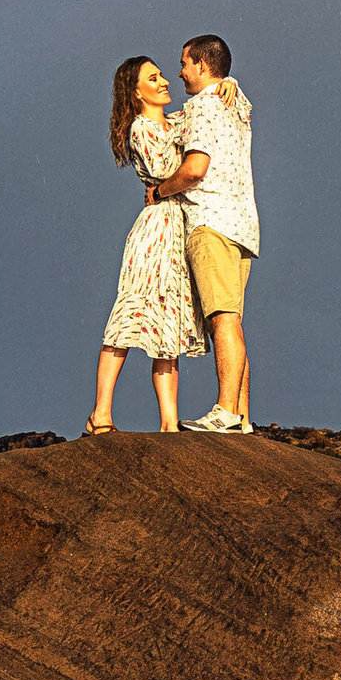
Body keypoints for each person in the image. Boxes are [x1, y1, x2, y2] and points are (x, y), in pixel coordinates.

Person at [85, 57, 203, 433]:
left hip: (178, 227)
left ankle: (169, 421)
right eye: (153, 78)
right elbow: (169, 171)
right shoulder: (142, 128)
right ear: (136, 92)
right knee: (129, 316)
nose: (165, 81)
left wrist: (227, 86)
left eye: (162, 74)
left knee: (168, 323)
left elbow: (212, 111)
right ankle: (100, 412)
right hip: (156, 229)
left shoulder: (175, 122)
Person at [170, 33, 257, 434]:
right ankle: (241, 416)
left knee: (223, 318)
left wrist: (159, 190)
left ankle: (224, 410)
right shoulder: (235, 103)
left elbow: (195, 168)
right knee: (232, 319)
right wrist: (231, 81)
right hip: (242, 226)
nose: (181, 71)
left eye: (185, 63)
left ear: (203, 66)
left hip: (211, 221)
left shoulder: (203, 106)